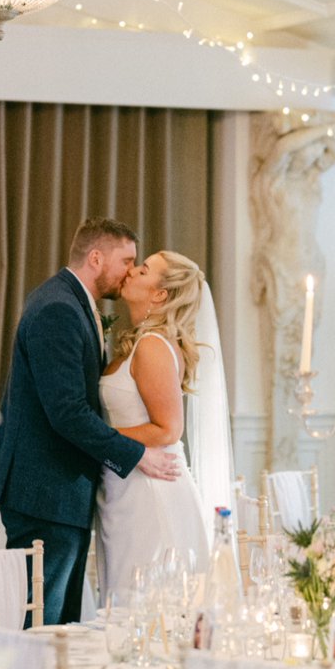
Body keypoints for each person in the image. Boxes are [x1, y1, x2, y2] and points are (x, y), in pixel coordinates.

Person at [0, 218, 180, 625]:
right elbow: (68, 412)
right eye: (127, 260)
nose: (129, 270)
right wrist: (136, 453)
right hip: (45, 491)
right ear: (96, 257)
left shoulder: (70, 302)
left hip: (56, 490)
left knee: (59, 623)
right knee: (42, 624)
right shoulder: (58, 308)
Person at [96, 250, 211, 596]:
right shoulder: (142, 342)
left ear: (160, 294)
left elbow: (168, 429)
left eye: (143, 270)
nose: (131, 271)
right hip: (127, 485)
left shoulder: (152, 346)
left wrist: (96, 438)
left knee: (146, 600)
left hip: (150, 491)